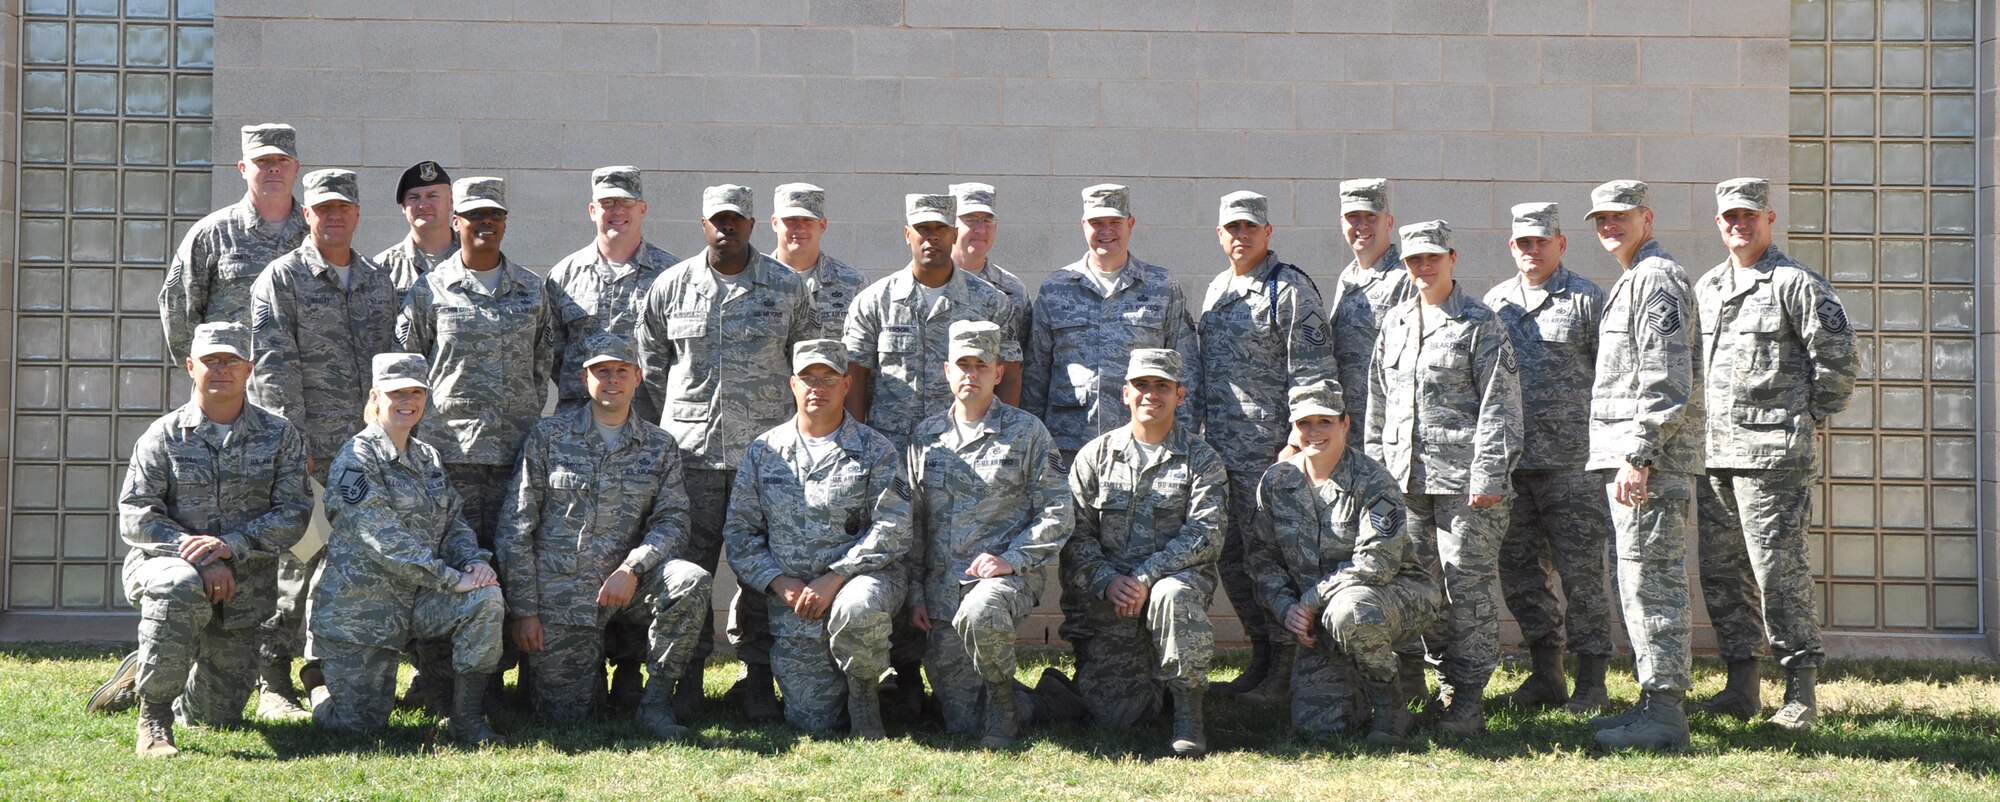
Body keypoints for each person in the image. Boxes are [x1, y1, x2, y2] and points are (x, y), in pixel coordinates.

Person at [634, 184, 819, 721]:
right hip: (690, 462)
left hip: (766, 461)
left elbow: (804, 365)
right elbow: (651, 372)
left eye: (736, 219)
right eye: (718, 219)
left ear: (752, 224)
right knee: (688, 574)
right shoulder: (671, 287)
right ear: (703, 223)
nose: (727, 228)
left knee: (763, 575)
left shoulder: (786, 289)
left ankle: (758, 681)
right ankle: (684, 682)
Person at [1692, 177, 1857, 731]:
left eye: (1749, 216)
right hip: (1714, 454)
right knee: (1722, 573)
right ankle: (1742, 685)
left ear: (1770, 218)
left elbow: (1837, 362)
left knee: (1777, 574)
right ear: (1719, 223)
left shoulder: (1797, 284)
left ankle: (1800, 691)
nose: (1739, 225)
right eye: (1730, 217)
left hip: (1773, 457)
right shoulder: (1707, 287)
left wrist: (1805, 421)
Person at [494, 333, 714, 738]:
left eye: (621, 371)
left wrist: (634, 566)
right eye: (601, 371)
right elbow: (516, 528)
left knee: (690, 582)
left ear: (638, 378)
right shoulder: (548, 438)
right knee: (568, 717)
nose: (611, 379)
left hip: (629, 584)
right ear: (584, 378)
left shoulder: (659, 445)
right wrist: (525, 611)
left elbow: (673, 521)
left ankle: (656, 704)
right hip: (563, 595)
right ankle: (565, 680)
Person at [244, 168, 401, 719]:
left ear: (357, 215)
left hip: (361, 455)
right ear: (306, 213)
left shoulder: (379, 284)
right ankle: (271, 679)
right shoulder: (281, 279)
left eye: (344, 208)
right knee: (296, 561)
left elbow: (391, 373)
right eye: (322, 208)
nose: (334, 216)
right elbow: (271, 367)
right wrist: (295, 446)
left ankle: (326, 670)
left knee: (348, 565)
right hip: (307, 451)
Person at [115, 322, 312, 756]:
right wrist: (200, 556)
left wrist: (230, 546)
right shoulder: (164, 435)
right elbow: (136, 514)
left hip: (243, 585)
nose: (220, 369)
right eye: (210, 361)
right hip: (166, 562)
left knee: (215, 715)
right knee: (178, 587)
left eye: (231, 361)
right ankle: (154, 718)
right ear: (190, 367)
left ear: (249, 369)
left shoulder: (280, 436)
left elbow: (295, 514)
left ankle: (149, 666)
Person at [1365, 220, 1522, 736]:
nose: (1423, 267)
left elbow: (1500, 406)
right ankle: (1440, 685)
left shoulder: (1480, 322)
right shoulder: (1395, 323)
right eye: (1413, 260)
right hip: (1403, 481)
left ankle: (1469, 698)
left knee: (1466, 588)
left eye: (1433, 257)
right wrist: (1372, 473)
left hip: (1466, 484)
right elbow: (1377, 404)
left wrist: (1489, 475)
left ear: (1453, 257)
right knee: (1421, 587)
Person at [307, 353, 506, 745]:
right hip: (364, 612)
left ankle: (465, 719)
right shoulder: (356, 458)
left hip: (418, 600)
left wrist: (473, 563)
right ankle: (320, 687)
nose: (407, 401)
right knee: (361, 728)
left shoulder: (426, 456)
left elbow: (454, 522)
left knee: (486, 599)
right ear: (375, 396)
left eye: (416, 392)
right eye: (397, 392)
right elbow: (384, 542)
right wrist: (451, 578)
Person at [723, 339, 912, 737]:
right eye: (808, 378)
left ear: (846, 385)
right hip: (795, 603)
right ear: (792, 384)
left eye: (828, 378)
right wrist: (779, 582)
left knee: (857, 608)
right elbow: (741, 533)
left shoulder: (876, 449)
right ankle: (852, 690)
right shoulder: (763, 452)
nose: (817, 387)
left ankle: (865, 696)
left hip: (860, 583)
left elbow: (892, 529)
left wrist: (836, 576)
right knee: (813, 722)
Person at [1193, 189, 1333, 703]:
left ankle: (1287, 666)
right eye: (1232, 228)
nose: (1241, 236)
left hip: (1274, 454)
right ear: (1219, 234)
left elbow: (1315, 372)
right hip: (1223, 456)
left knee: (1275, 561)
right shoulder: (1215, 291)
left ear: (1267, 233)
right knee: (1234, 558)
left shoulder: (1289, 289)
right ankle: (1262, 654)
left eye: (1250, 227)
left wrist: (1299, 443)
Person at [1580, 179, 1705, 751]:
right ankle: (1653, 703)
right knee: (1636, 582)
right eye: (1601, 219)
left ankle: (1666, 717)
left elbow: (1664, 376)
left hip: (1647, 466)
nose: (1609, 226)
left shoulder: (1655, 278)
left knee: (1652, 586)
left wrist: (1639, 454)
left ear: (1647, 218)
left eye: (1620, 217)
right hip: (1635, 464)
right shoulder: (1635, 277)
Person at [907, 321, 1072, 749]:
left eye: (982, 365)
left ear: (998, 372)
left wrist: (1011, 559)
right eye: (963, 364)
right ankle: (1049, 699)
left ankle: (1003, 704)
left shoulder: (1027, 432)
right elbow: (913, 520)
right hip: (943, 592)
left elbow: (1058, 510)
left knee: (982, 608)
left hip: (1005, 581)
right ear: (946, 370)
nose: (971, 374)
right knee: (961, 721)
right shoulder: (925, 437)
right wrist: (915, 592)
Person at [1055, 348, 1226, 756]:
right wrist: (1108, 581)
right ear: (1124, 393)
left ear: (1180, 395)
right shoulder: (1094, 457)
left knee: (1172, 593)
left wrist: (1145, 578)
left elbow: (1206, 534)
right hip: (1110, 601)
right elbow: (1074, 536)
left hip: (1170, 590)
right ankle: (1079, 687)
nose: (1152, 394)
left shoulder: (1201, 459)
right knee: (1121, 716)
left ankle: (1189, 715)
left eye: (1162, 386)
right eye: (1142, 385)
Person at [1481, 202, 1616, 713]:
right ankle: (1546, 674)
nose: (1531, 250)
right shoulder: (1495, 304)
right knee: (1520, 574)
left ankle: (1593, 681)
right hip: (1515, 467)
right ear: (1512, 247)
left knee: (1582, 576)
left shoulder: (1586, 299)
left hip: (1572, 467)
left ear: (1560, 244)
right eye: (1523, 242)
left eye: (1541, 241)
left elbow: (1611, 377)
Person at [1248, 381, 1439, 743]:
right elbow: (1262, 559)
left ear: (1345, 424)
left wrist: (1309, 600)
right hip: (1318, 615)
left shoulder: (1373, 481)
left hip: (1393, 596)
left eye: (1325, 421)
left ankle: (1391, 705)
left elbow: (1376, 563)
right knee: (1319, 726)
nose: (1314, 432)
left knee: (1349, 609)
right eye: (1305, 424)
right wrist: (1287, 608)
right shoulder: (1275, 482)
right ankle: (1357, 682)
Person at [1022, 184, 1198, 457]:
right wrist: (1033, 445)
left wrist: (1182, 443)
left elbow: (1185, 367)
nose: (1106, 231)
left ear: (1130, 224)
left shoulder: (1161, 286)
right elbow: (1036, 374)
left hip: (1143, 446)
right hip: (1068, 444)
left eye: (1115, 222)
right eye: (1096, 223)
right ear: (1083, 225)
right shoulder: (1056, 288)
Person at [158, 124, 307, 364]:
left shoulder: (315, 234)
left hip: (300, 386)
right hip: (232, 383)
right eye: (262, 160)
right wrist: (205, 369)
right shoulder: (212, 233)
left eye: (283, 160)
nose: (274, 168)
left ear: (296, 168)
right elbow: (178, 304)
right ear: (242, 168)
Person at [546, 166, 679, 422]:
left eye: (627, 202)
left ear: (643, 209)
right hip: (576, 423)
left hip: (646, 423)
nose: (617, 210)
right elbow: (550, 355)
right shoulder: (564, 276)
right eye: (607, 202)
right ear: (592, 211)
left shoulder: (671, 275)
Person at [1327, 178, 1412, 431]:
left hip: (1385, 426)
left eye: (1371, 216)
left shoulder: (1405, 279)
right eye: (1353, 216)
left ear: (1389, 222)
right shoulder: (1348, 277)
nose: (1362, 225)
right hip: (1348, 425)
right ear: (1342, 223)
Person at [949, 182, 1031, 405]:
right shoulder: (932, 283)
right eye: (971, 220)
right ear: (951, 225)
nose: (980, 229)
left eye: (987, 221)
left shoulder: (1012, 290)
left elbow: (1019, 366)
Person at [769, 183, 863, 340]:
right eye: (790, 219)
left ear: (823, 225)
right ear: (774, 223)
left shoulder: (853, 285)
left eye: (808, 220)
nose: (800, 228)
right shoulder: (751, 282)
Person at [373, 160, 459, 300]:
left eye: (432, 196)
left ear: (450, 202)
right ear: (403, 207)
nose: (423, 205)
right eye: (414, 198)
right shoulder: (382, 268)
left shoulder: (474, 259)